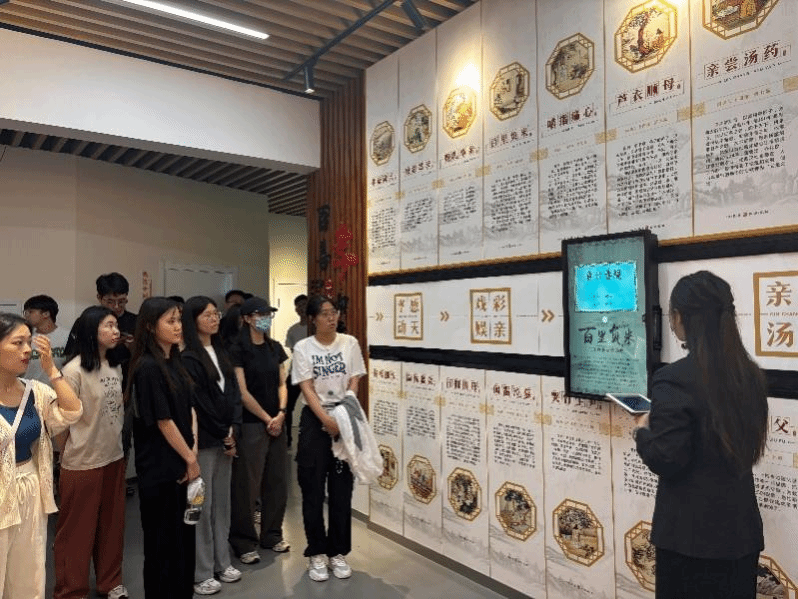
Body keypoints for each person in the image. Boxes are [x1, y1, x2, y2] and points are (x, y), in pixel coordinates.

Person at [633, 271, 768, 599]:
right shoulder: (749, 375)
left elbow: (668, 458)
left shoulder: (673, 379)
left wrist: (642, 431)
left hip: (689, 540)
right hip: (740, 534)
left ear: (679, 318)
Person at [0, 313, 82, 598]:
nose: (27, 350)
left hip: (29, 488)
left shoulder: (35, 392)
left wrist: (52, 370)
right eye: (17, 343)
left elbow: (73, 411)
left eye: (29, 342)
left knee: (28, 572)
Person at [53, 306, 128, 599]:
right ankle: (71, 590)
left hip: (113, 456)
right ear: (90, 331)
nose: (115, 331)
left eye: (116, 325)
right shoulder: (73, 371)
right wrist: (68, 452)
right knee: (76, 532)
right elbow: (61, 424)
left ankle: (110, 582)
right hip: (82, 462)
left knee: (111, 527)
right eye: (108, 325)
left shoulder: (114, 365)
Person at [126, 297, 199, 599]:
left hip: (183, 460)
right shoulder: (147, 367)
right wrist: (190, 459)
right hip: (161, 468)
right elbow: (163, 421)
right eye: (170, 321)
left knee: (184, 539)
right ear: (149, 327)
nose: (178, 326)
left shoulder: (176, 362)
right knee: (162, 544)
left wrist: (192, 452)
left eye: (179, 320)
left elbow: (190, 410)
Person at [291, 296, 366, 582]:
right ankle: (317, 553)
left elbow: (355, 379)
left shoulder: (349, 343)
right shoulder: (303, 347)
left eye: (334, 312)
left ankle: (338, 552)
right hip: (315, 420)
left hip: (345, 415)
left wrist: (344, 413)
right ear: (313, 319)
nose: (331, 317)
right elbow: (307, 387)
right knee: (311, 488)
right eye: (324, 314)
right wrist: (326, 420)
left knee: (341, 489)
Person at [181, 297, 243, 595]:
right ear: (193, 320)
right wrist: (223, 433)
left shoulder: (222, 351)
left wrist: (233, 431)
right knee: (201, 507)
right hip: (205, 441)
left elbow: (234, 394)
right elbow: (200, 403)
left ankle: (222, 561)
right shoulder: (188, 357)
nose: (215, 318)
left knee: (222, 504)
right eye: (207, 315)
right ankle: (202, 571)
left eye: (216, 314)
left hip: (226, 439)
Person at [228, 297, 290, 564]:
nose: (265, 318)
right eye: (259, 314)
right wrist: (267, 418)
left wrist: (281, 413)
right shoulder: (237, 348)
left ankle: (272, 535)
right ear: (246, 318)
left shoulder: (275, 347)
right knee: (247, 485)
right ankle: (243, 541)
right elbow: (241, 392)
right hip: (252, 423)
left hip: (277, 421)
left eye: (268, 314)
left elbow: (282, 383)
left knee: (277, 481)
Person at [23, 294, 70, 383]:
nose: (26, 316)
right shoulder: (26, 338)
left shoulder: (67, 336)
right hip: (31, 389)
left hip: (59, 388)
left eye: (30, 312)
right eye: (25, 313)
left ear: (46, 314)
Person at [284, 294, 308, 447]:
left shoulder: (316, 328)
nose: (302, 308)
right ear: (296, 309)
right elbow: (294, 352)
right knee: (286, 406)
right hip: (295, 373)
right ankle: (287, 440)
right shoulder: (293, 330)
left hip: (313, 375)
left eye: (305, 304)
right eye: (299, 306)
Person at [96, 273, 137, 342]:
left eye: (121, 301)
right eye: (110, 302)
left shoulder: (137, 322)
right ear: (99, 298)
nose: (116, 306)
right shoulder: (90, 322)